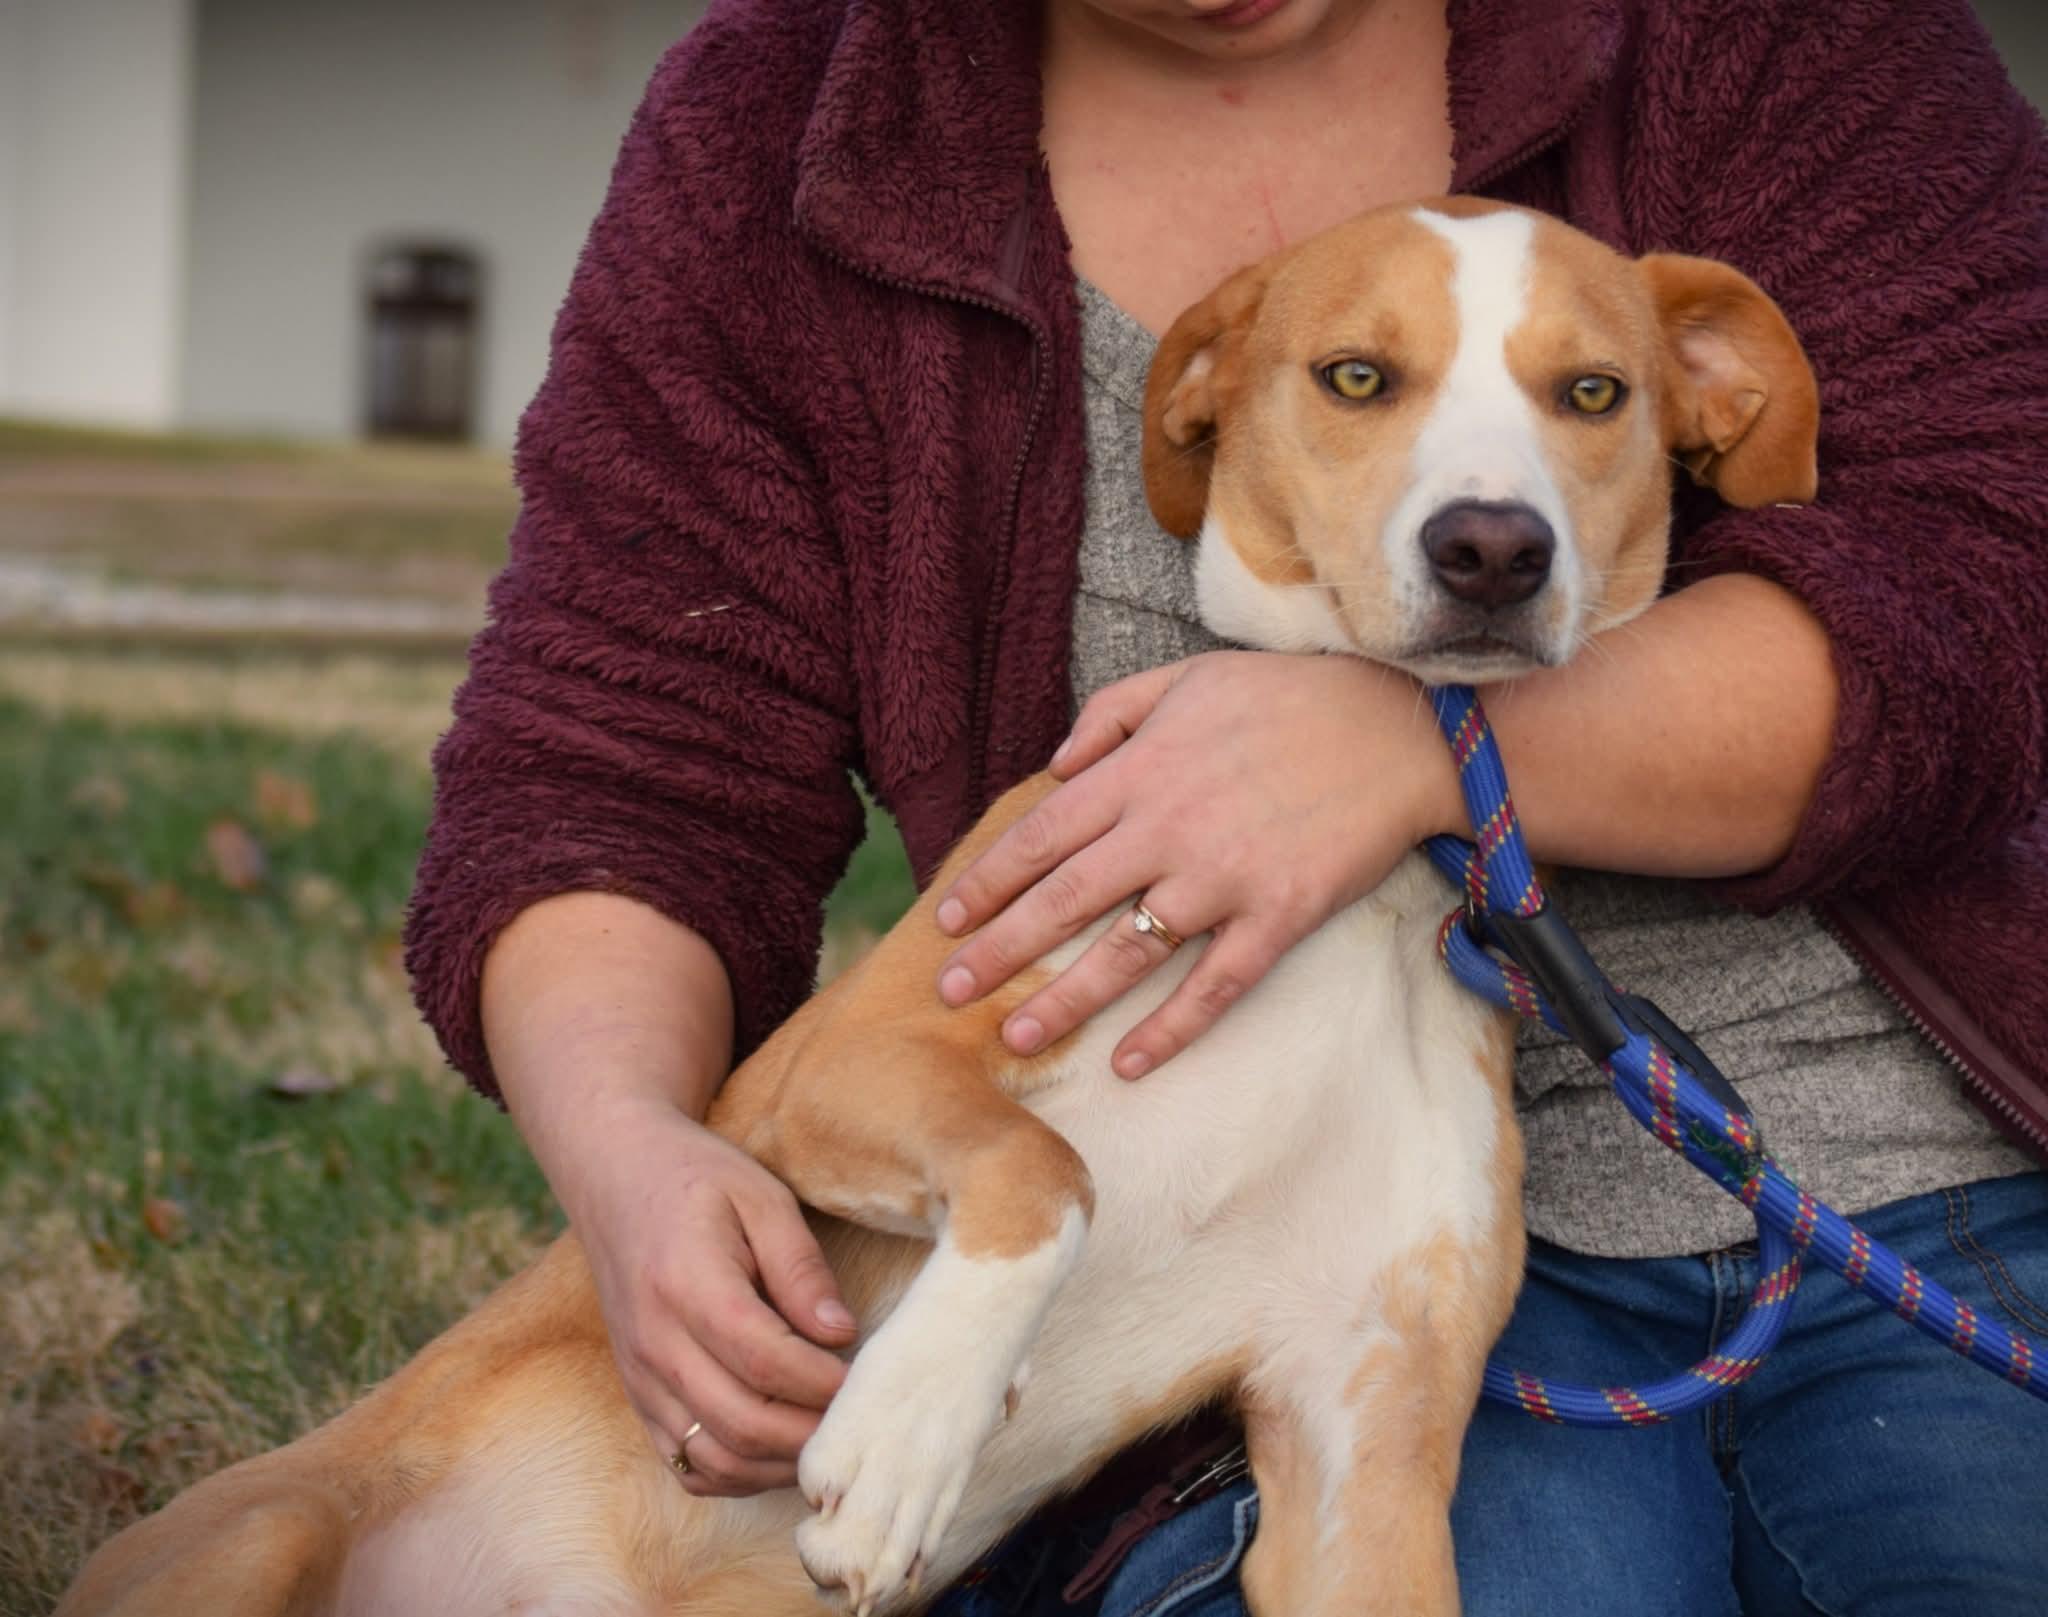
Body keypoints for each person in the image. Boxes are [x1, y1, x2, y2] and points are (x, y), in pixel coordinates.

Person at [404, 1, 2048, 1611]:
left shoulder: (1772, 35)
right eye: (1355, 379)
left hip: (1892, 1190)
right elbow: (615, 760)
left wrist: (1414, 746)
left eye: (1586, 397)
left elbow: (1995, 573)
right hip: (1299, 1253)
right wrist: (631, 1152)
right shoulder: (779, 126)